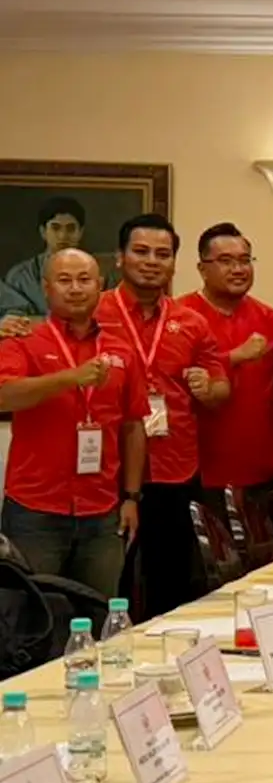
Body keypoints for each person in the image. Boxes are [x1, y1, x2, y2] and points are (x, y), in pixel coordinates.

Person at [96, 214, 228, 618]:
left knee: (170, 585)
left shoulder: (191, 322)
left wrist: (209, 388)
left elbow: (221, 388)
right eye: (141, 252)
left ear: (173, 263)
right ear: (120, 257)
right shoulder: (94, 313)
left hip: (175, 466)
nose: (152, 261)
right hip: (108, 470)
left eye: (162, 254)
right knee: (109, 585)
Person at [0, 249, 146, 597]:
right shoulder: (23, 341)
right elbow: (4, 396)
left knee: (100, 610)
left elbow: (133, 425)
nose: (76, 288)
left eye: (84, 280)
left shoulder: (122, 349)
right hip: (35, 511)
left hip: (103, 510)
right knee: (33, 616)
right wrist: (71, 378)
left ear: (100, 286)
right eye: (64, 280)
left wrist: (131, 497)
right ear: (46, 288)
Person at [177, 223, 273, 527]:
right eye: (226, 261)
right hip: (201, 473)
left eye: (244, 260)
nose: (238, 269)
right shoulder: (180, 316)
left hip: (264, 472)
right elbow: (173, 380)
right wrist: (235, 357)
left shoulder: (269, 318)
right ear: (202, 269)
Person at [3, 196, 87, 317]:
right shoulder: (20, 277)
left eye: (70, 228)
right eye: (55, 228)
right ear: (43, 231)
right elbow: (12, 318)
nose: (63, 236)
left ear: (80, 232)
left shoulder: (98, 275)